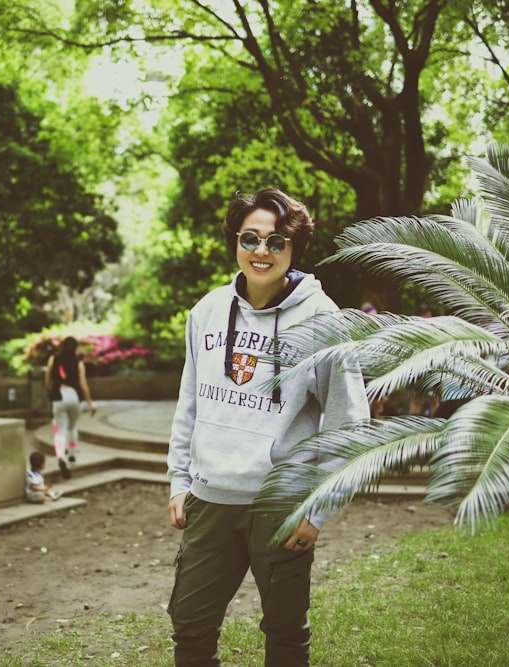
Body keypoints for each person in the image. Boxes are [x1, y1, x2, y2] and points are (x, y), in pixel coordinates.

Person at [166, 188, 370, 666]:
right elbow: (189, 404)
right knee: (189, 627)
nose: (262, 251)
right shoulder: (207, 311)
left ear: (293, 249)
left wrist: (317, 510)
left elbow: (349, 422)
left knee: (284, 634)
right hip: (211, 500)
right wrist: (179, 480)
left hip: (280, 507)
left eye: (276, 242)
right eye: (250, 238)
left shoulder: (323, 320)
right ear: (235, 242)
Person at [45, 336, 98, 479]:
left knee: (60, 430)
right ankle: (73, 454)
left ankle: (61, 457)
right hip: (74, 397)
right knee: (72, 426)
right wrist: (90, 402)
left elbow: (48, 380)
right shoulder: (78, 363)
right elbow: (83, 385)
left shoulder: (53, 359)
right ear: (75, 348)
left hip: (58, 397)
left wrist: (53, 391)